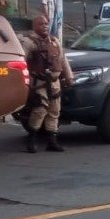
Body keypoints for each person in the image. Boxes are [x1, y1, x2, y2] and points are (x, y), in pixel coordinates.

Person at [22, 14, 73, 153]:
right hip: (39, 82)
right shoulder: (29, 42)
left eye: (46, 23)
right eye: (41, 24)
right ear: (34, 26)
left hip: (55, 82)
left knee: (54, 111)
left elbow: (63, 60)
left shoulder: (54, 41)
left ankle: (52, 141)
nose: (44, 26)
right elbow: (21, 61)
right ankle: (32, 139)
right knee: (40, 109)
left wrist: (69, 77)